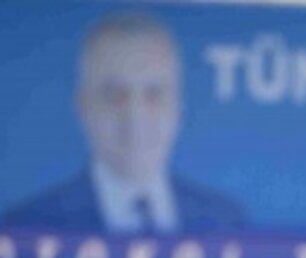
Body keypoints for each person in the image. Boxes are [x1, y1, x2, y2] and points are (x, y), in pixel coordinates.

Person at [2, 12, 244, 234]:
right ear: (83, 106)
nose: (135, 115)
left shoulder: (227, 222)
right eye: (114, 95)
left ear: (178, 107)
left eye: (154, 93)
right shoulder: (24, 227)